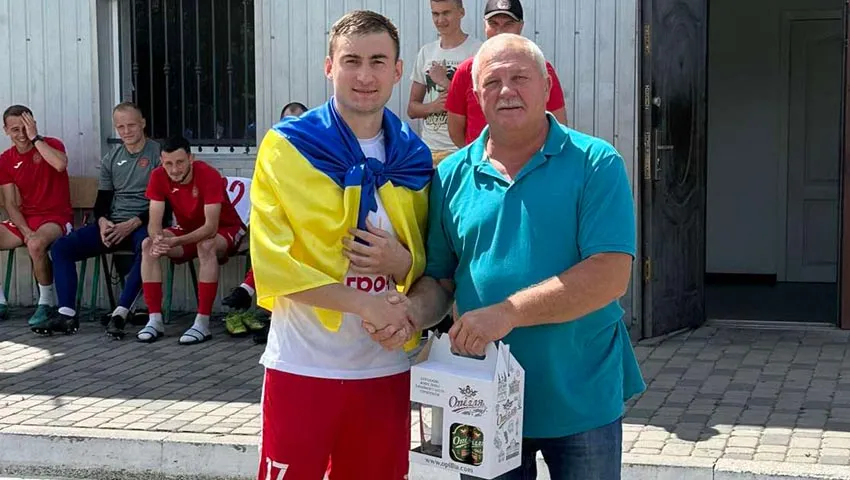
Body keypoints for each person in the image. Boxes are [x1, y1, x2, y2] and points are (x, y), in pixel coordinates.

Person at [399, 34, 645, 480]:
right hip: (479, 398)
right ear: (476, 95)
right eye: (492, 82)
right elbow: (440, 280)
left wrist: (507, 313)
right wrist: (409, 314)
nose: (506, 91)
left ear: (547, 85)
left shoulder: (595, 163)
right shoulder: (451, 175)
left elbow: (609, 275)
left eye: (520, 78)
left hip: (580, 397)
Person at [249, 10, 432, 480]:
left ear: (398, 70)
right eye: (352, 61)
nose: (364, 76)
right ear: (329, 66)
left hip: (385, 370)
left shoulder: (414, 157)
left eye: (378, 61)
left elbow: (430, 264)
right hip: (303, 367)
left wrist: (403, 262)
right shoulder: (286, 147)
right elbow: (274, 263)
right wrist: (365, 303)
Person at [50, 102, 160, 339]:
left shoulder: (158, 155)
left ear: (143, 123)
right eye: (120, 127)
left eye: (131, 125)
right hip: (114, 225)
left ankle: (120, 313)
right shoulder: (112, 158)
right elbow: (102, 201)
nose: (126, 131)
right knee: (61, 247)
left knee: (148, 247)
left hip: (145, 223)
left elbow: (166, 203)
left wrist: (132, 223)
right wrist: (102, 222)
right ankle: (66, 314)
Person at [136, 135, 245, 345]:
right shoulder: (158, 175)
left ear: (190, 158)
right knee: (148, 245)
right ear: (161, 161)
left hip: (226, 229)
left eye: (180, 162)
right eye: (168, 163)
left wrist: (176, 242)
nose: (174, 169)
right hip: (188, 231)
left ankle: (202, 323)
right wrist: (157, 238)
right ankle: (154, 320)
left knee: (206, 246)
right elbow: (154, 221)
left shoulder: (208, 174)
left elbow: (210, 227)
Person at [221, 101, 310, 337]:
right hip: (283, 224)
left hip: (311, 229)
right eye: (287, 123)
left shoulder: (317, 154)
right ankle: (267, 310)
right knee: (266, 238)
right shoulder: (273, 156)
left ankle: (249, 293)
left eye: (298, 122)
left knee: (287, 243)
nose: (293, 128)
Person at [445, 0, 567, 147]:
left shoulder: (540, 69)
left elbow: (559, 126)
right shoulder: (466, 71)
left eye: (508, 24)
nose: (500, 31)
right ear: (485, 26)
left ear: (520, 26)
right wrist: (482, 154)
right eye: (493, 24)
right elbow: (455, 130)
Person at [0, 105, 72, 333]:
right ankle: (1, 302)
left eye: (25, 128)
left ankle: (46, 303)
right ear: (5, 131)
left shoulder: (51, 144)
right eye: (15, 130)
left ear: (33, 125)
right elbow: (10, 203)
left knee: (35, 243)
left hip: (56, 217)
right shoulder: (5, 159)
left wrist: (35, 138)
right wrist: (25, 229)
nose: (21, 134)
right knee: (31, 238)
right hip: (27, 218)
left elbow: (60, 164)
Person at [407, 0, 481, 164]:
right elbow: (412, 109)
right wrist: (433, 106)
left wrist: (445, 82)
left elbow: (482, 105)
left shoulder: (477, 51)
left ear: (461, 12)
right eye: (435, 14)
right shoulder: (426, 53)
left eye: (446, 13)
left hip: (463, 151)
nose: (440, 20)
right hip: (429, 151)